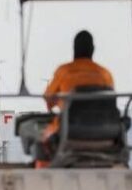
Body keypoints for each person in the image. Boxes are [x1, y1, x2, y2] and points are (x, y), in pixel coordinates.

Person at [39, 30, 115, 166]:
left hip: (70, 131)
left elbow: (48, 98)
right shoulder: (105, 74)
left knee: (42, 140)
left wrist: (59, 101)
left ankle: (42, 176)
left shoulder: (64, 71)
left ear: (74, 50)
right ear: (92, 50)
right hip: (106, 131)